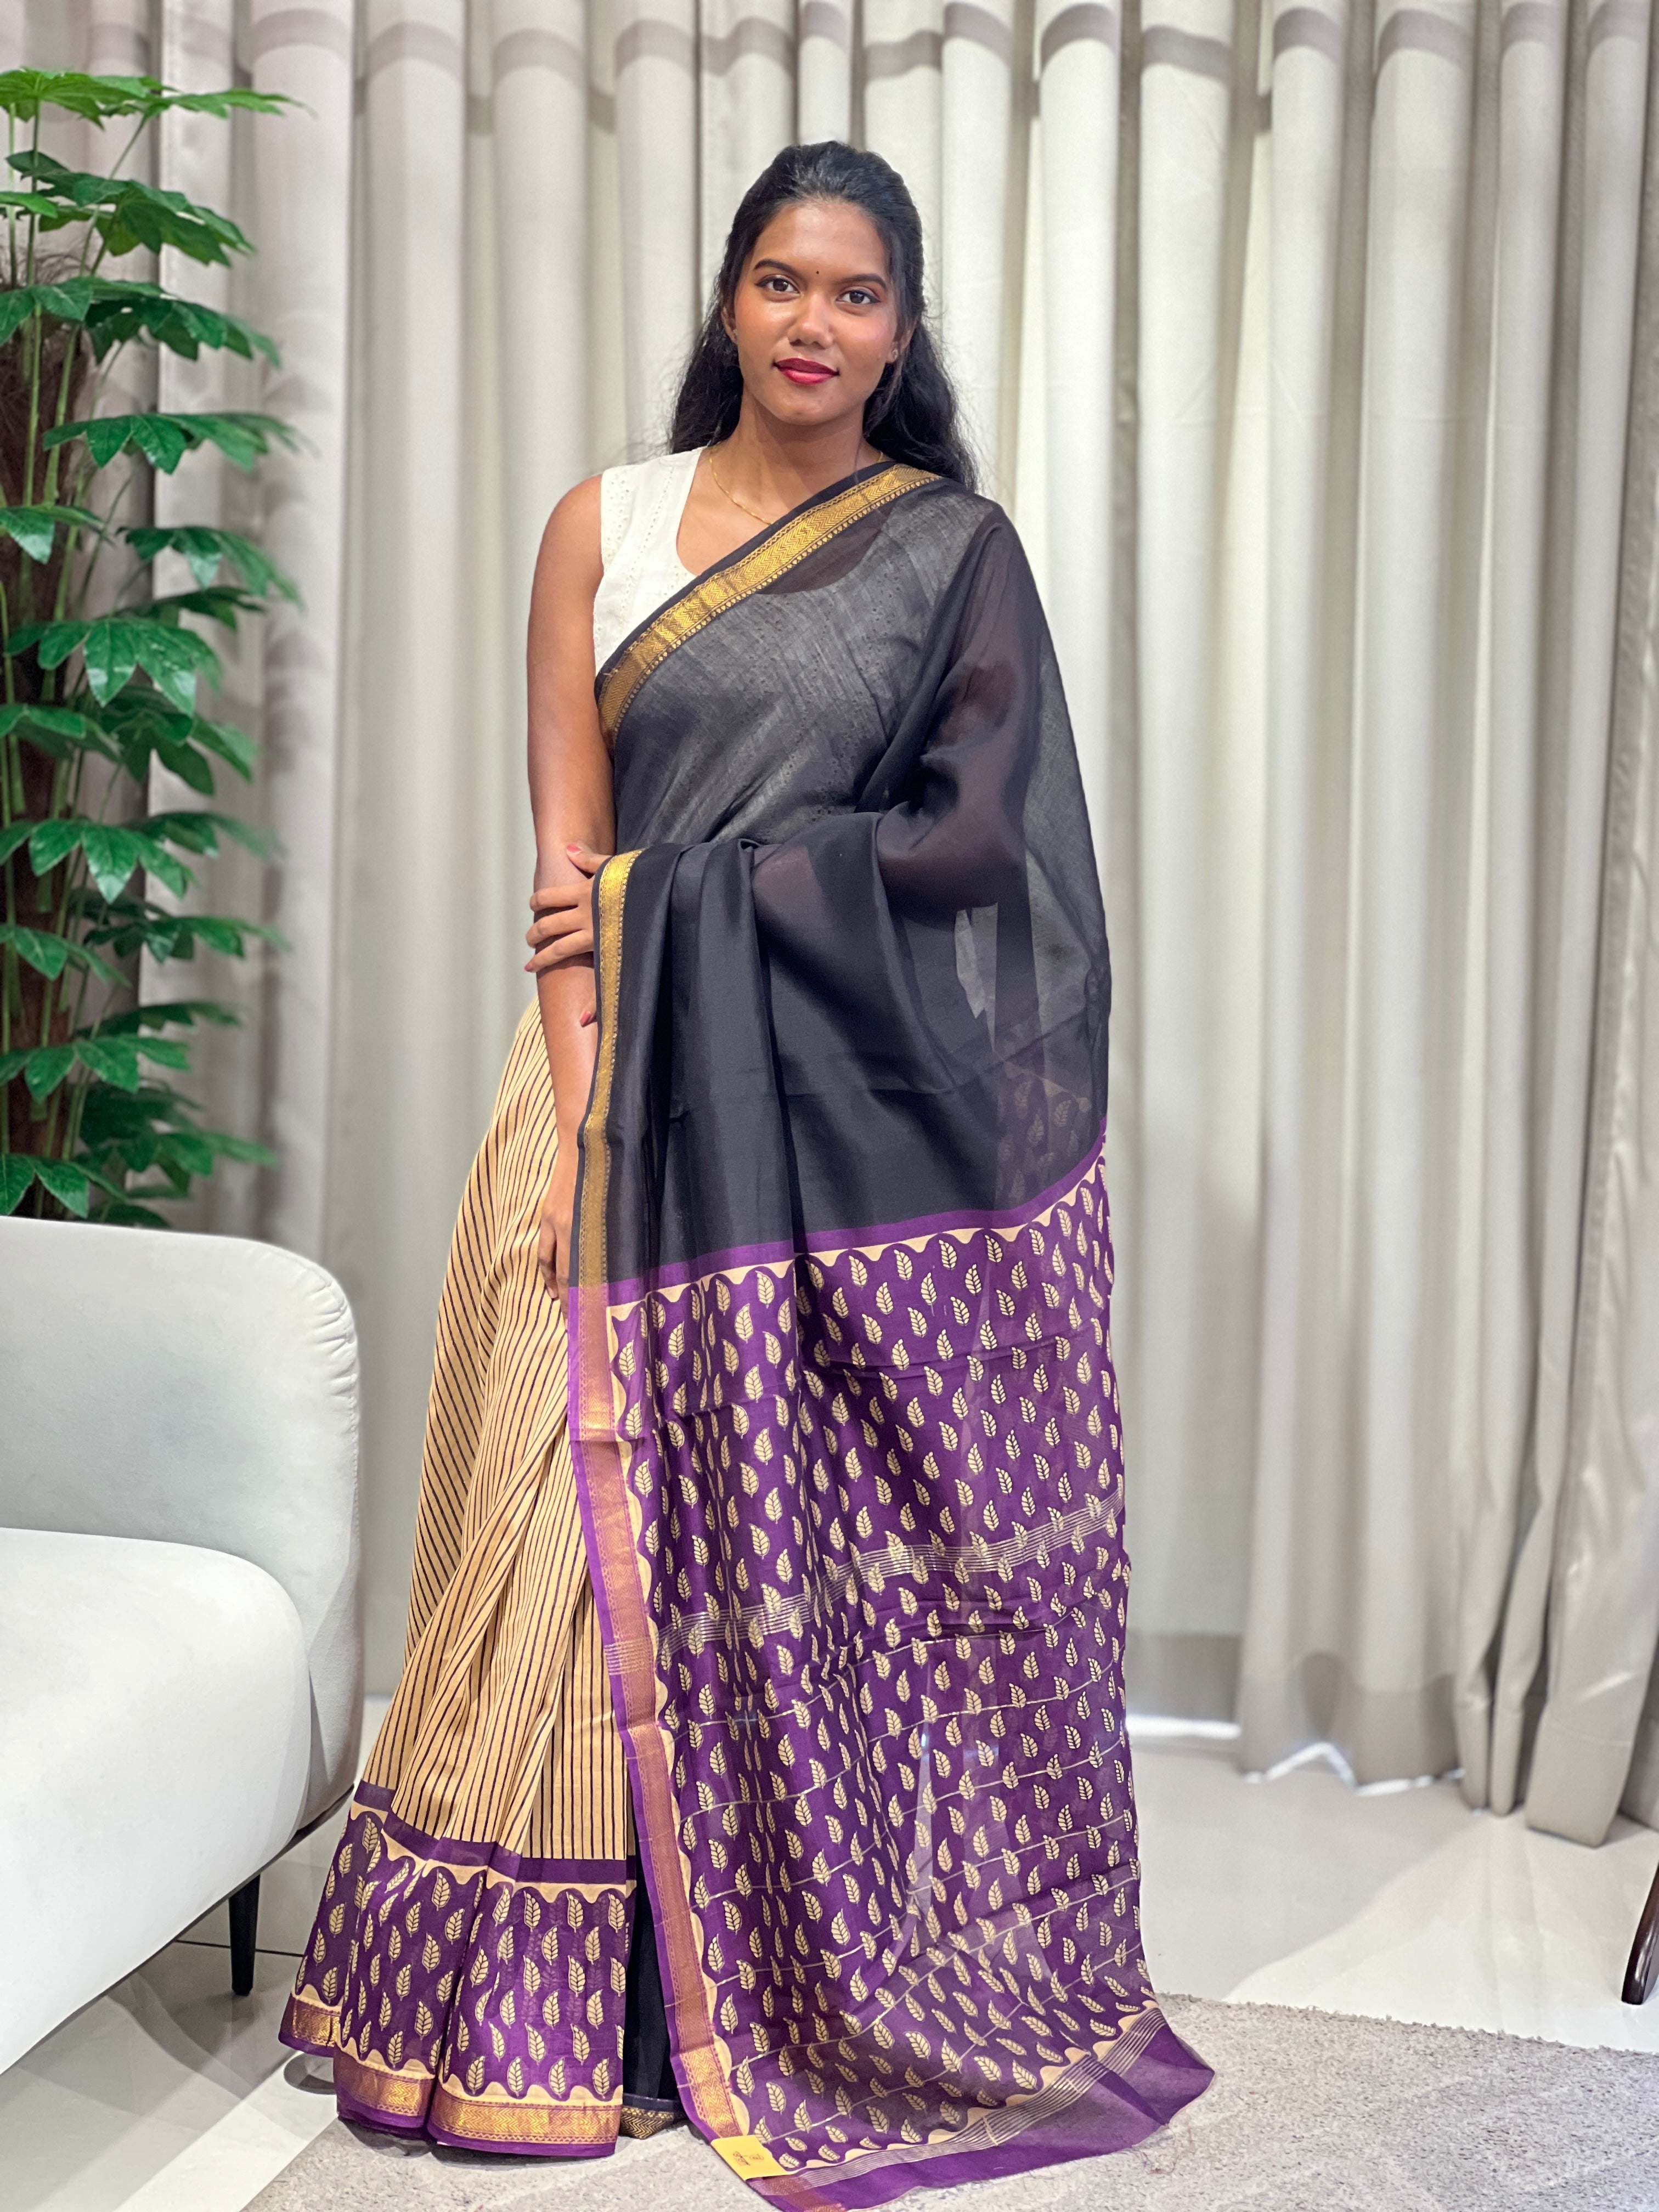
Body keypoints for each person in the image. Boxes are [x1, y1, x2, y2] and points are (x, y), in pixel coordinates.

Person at [281, 140, 1211, 2197]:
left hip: (815, 1131)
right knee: (555, 1543)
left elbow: (986, 852)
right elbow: (568, 866)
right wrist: (582, 1119)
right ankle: (540, 2023)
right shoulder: (601, 525)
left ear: (902, 331)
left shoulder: (949, 554)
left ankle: (759, 1990)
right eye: (782, 281)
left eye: (855, 294)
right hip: (601, 1095)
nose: (813, 323)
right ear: (730, 299)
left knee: (758, 1558)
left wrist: (690, 898)